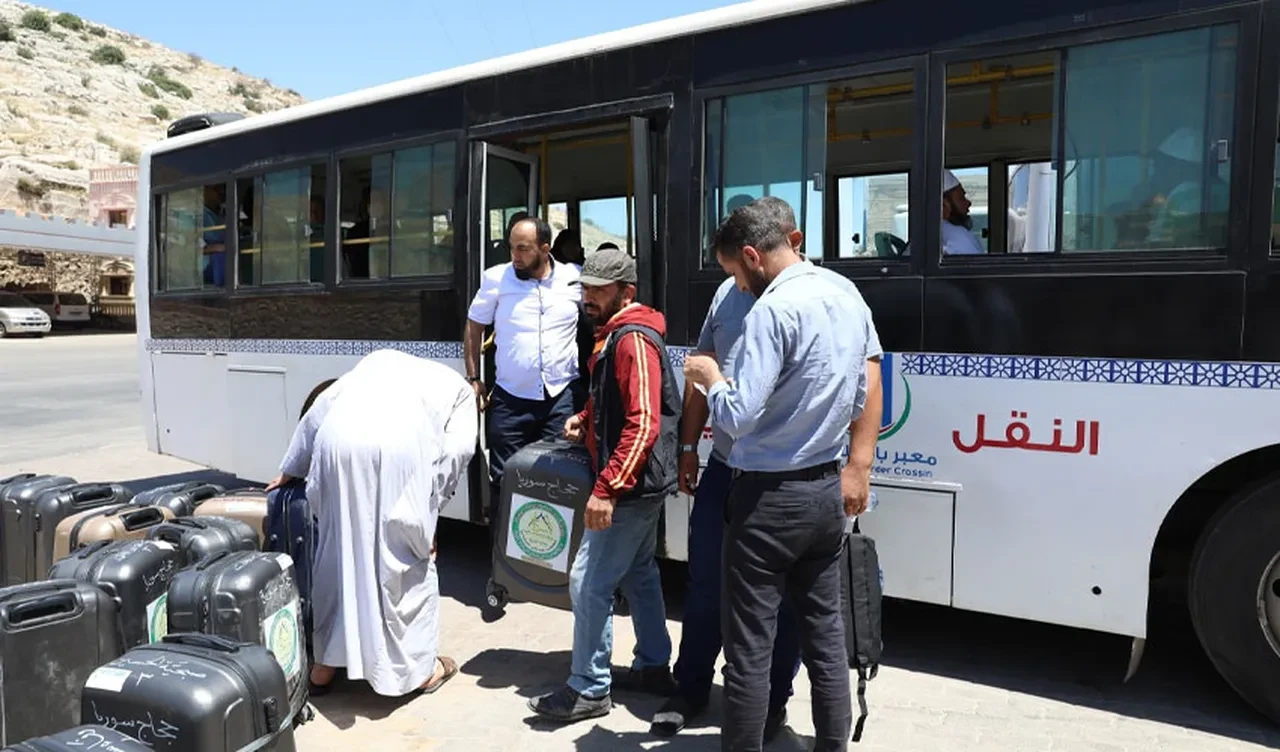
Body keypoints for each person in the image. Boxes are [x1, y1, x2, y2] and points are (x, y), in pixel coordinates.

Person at [655, 203, 884, 740]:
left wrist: (711, 376)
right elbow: (856, 394)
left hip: (765, 494)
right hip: (820, 490)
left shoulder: (770, 310)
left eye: (736, 270)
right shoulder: (844, 296)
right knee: (825, 637)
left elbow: (736, 413)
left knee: (750, 644)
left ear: (754, 255)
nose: (734, 282)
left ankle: (754, 728)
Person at [268, 349, 477, 698]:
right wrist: (431, 509)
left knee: (338, 554)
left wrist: (289, 471)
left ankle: (323, 668)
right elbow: (457, 452)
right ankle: (419, 672)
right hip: (401, 448)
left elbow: (316, 416)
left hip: (336, 444)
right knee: (404, 558)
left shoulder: (365, 371)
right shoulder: (459, 391)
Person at [527, 247, 680, 723]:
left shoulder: (631, 338)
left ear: (626, 292)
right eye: (585, 288)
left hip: (630, 485)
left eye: (599, 290)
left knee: (588, 582)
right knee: (640, 574)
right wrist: (586, 419)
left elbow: (644, 422)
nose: (587, 297)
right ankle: (654, 666)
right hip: (641, 480)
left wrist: (607, 488)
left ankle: (589, 687)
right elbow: (616, 401)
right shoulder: (615, 334)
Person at [464, 216, 585, 530]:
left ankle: (550, 571)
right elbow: (474, 324)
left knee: (559, 480)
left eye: (523, 249)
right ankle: (504, 566)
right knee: (505, 482)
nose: (515, 256)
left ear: (545, 250)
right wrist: (474, 378)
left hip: (561, 398)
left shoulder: (574, 278)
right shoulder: (496, 279)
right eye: (511, 248)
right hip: (511, 400)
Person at [941, 169, 985, 255]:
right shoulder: (959, 236)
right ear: (944, 204)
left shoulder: (921, 238)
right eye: (961, 197)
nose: (969, 203)